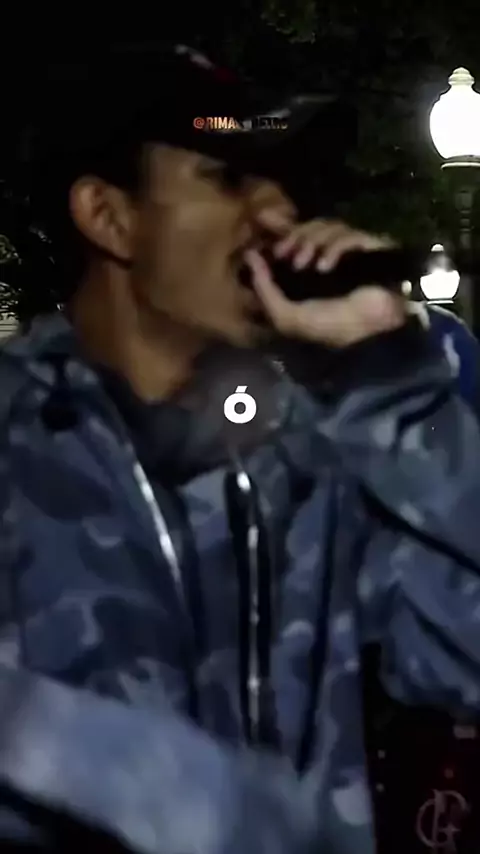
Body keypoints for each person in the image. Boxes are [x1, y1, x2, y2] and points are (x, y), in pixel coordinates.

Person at [2, 43, 480, 854]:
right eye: (228, 178)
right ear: (109, 216)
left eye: (282, 182)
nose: (276, 213)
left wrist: (392, 384)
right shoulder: (17, 436)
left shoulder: (309, 449)